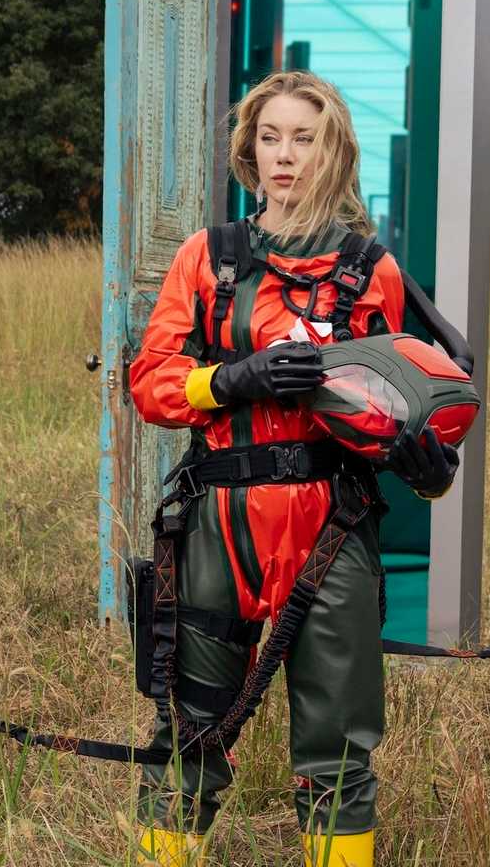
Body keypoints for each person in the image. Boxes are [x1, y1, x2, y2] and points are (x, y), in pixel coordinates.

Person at [128, 71, 458, 867]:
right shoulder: (209, 258)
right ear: (249, 150)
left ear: (333, 151)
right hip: (219, 523)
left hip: (331, 523)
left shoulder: (372, 271)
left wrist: (417, 450)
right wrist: (230, 379)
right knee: (188, 731)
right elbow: (150, 382)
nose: (285, 155)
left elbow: (403, 401)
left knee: (339, 746)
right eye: (270, 137)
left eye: (303, 139)